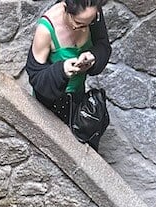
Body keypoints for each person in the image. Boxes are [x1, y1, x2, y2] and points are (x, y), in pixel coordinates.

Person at [25, 0, 111, 149]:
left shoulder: (92, 15)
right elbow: (36, 77)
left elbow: (103, 45)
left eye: (87, 24)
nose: (82, 28)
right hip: (50, 107)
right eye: (77, 23)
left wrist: (93, 57)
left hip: (77, 101)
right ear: (66, 10)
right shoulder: (46, 28)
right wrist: (62, 71)